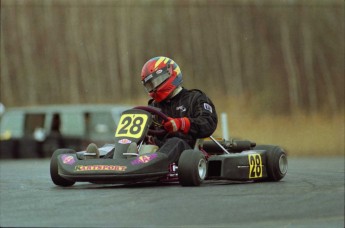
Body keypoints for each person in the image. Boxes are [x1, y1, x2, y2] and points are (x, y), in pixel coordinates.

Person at [141, 56, 218, 163]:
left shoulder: (195, 98)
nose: (154, 88)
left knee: (175, 142)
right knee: (129, 144)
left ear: (170, 74)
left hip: (188, 154)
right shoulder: (153, 107)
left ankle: (153, 165)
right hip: (158, 151)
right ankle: (112, 167)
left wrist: (182, 123)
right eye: (150, 85)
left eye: (157, 81)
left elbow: (208, 123)